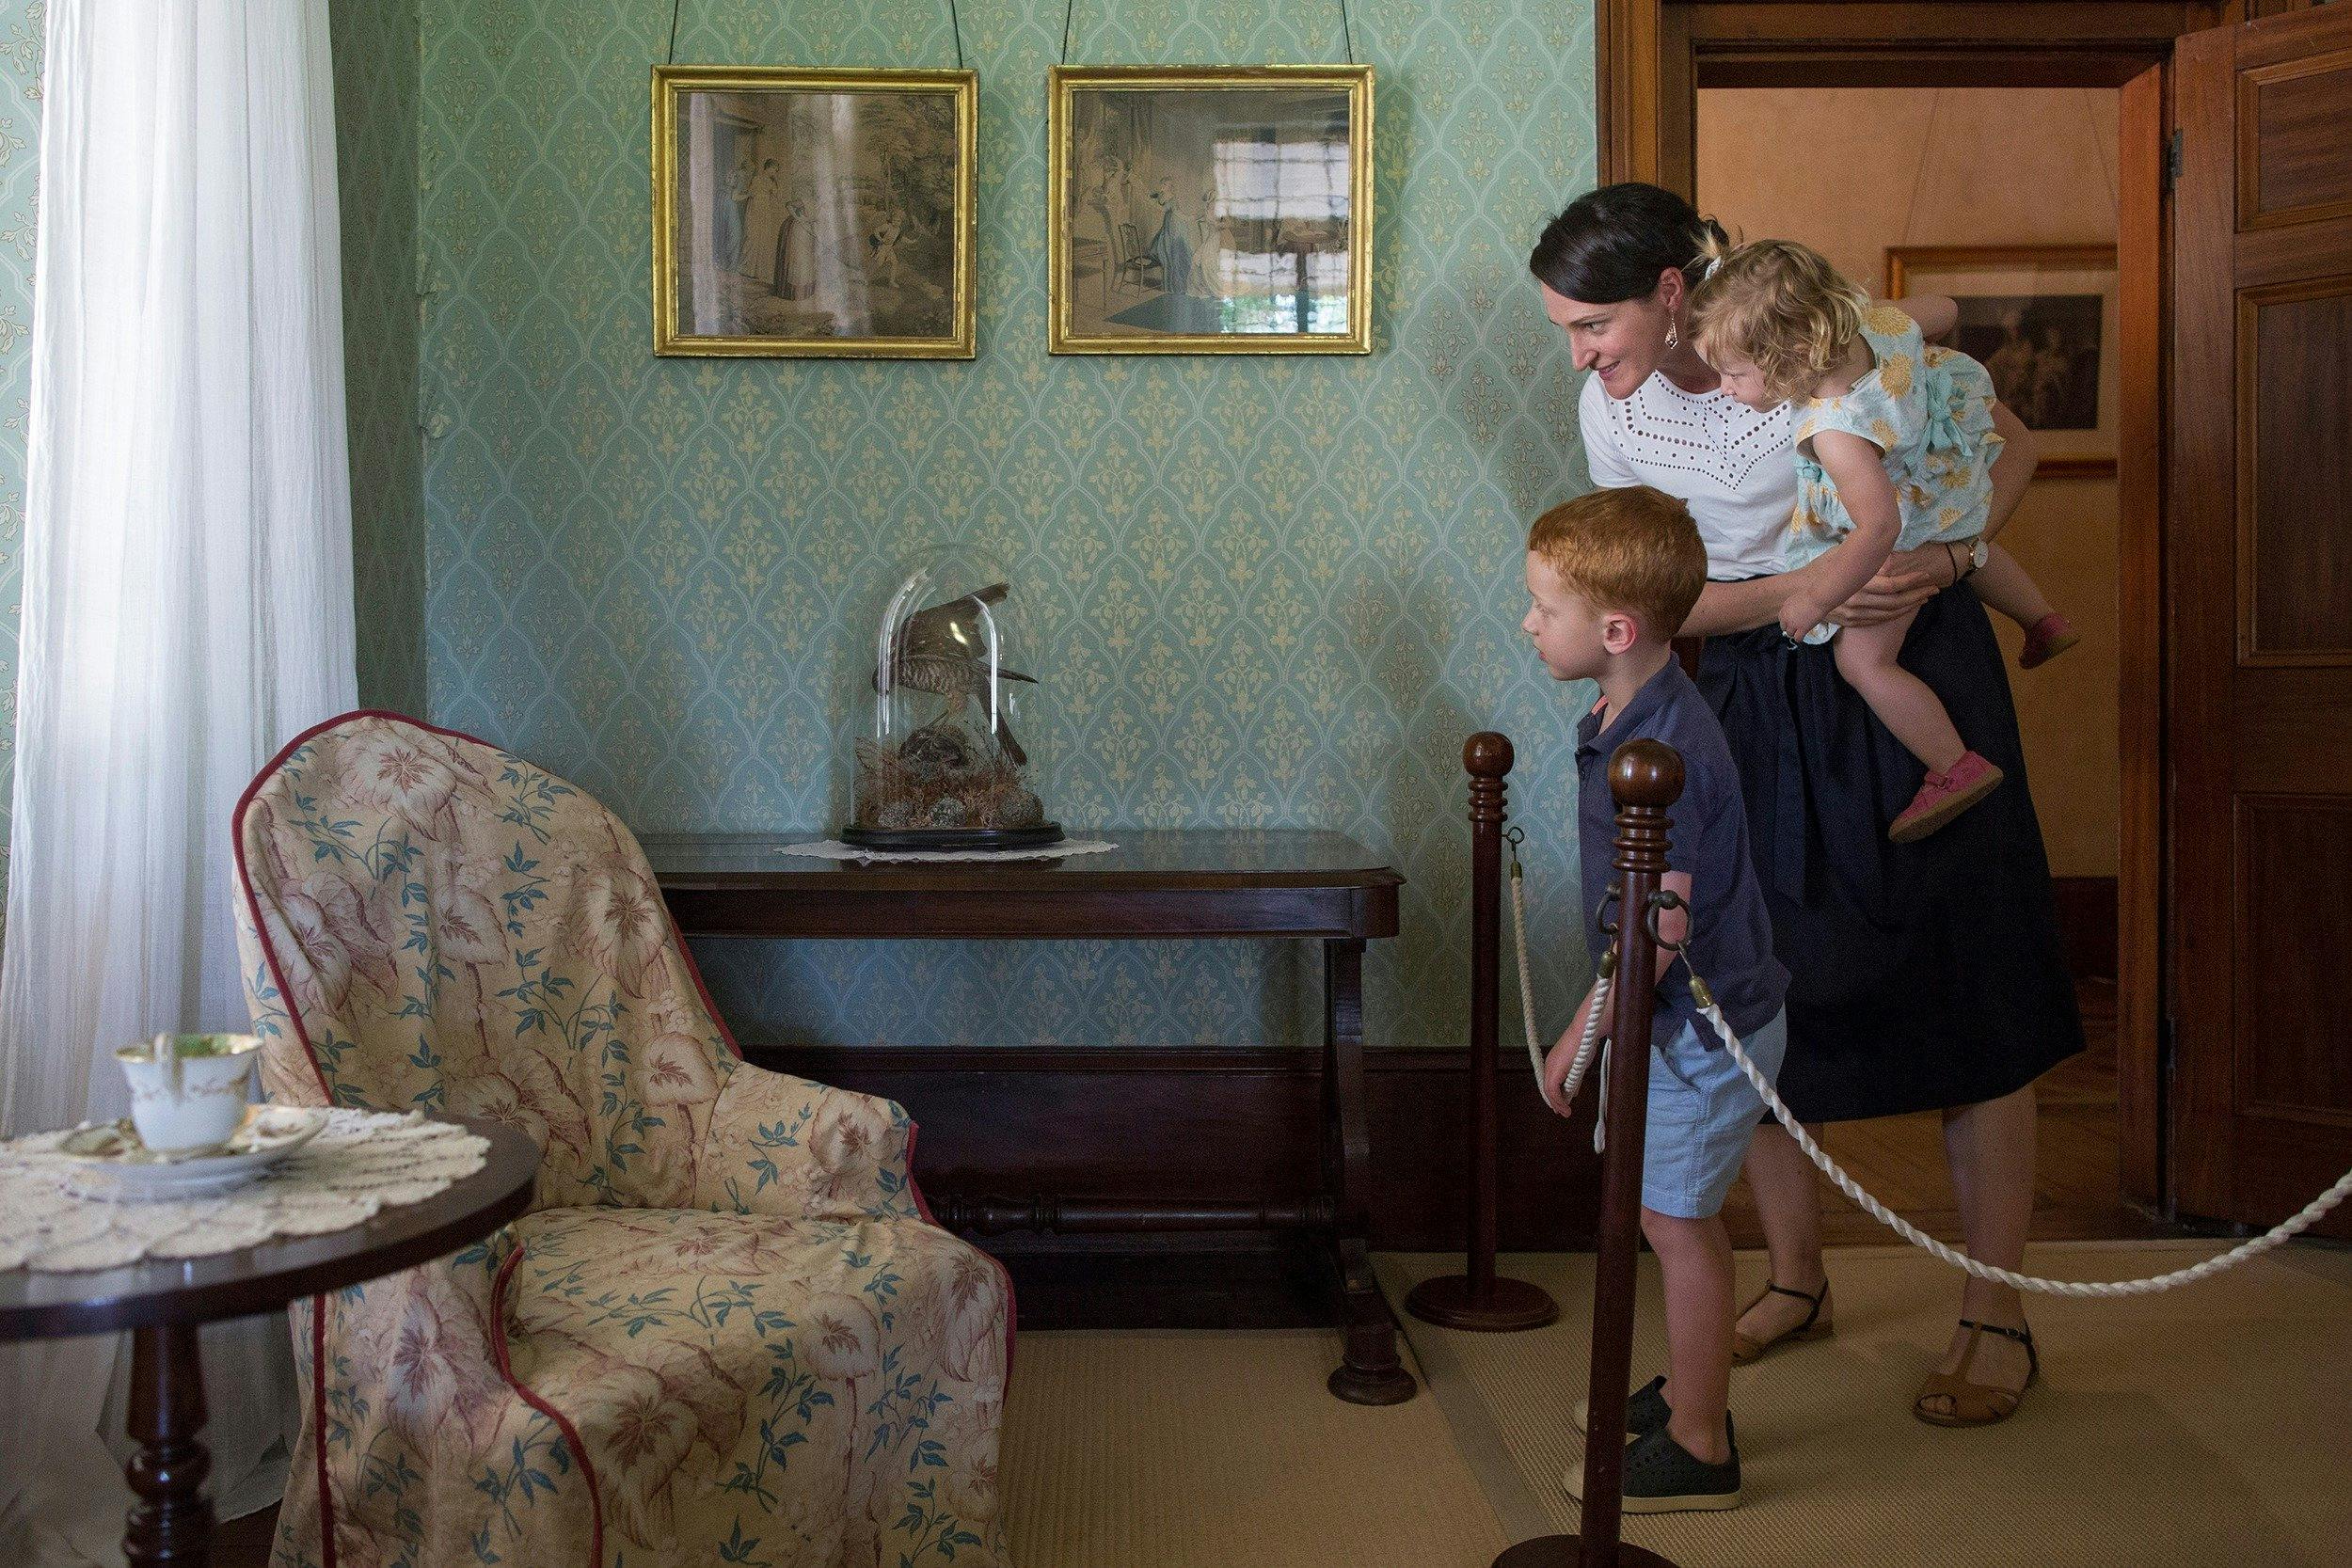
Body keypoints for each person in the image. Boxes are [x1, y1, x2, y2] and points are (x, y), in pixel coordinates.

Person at [1529, 182, 2085, 1427]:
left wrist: (1939, 560)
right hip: (1741, 693)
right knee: (1750, 986)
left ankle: (1997, 1311)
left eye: (1592, 323)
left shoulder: (1823, 333)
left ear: (1671, 293)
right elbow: (1664, 590)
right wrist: (1796, 587)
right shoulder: (1609, 410)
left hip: (1904, 675)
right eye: (1564, 329)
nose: (1578, 354)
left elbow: (2019, 448)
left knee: (1972, 970)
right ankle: (1796, 1275)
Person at [1526, 484, 1791, 1513]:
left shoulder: (1662, 748)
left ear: (1615, 628)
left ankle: (1699, 1439)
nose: (1529, 622)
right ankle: (1690, 1384)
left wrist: (1575, 1039)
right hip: (1687, 1020)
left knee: (1675, 1222)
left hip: (1700, 1028)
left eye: (1544, 607)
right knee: (1665, 1208)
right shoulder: (1629, 709)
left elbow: (1657, 933)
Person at [1686, 237, 2080, 842]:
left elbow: (1879, 529)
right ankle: (2043, 620)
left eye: (1735, 373)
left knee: (1862, 663)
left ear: (1793, 353)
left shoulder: (1838, 431)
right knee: (1973, 545)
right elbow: (1946, 309)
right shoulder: (1874, 326)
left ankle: (1953, 765)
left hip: (1909, 527)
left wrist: (1817, 597)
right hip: (1946, 483)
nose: (1725, 388)